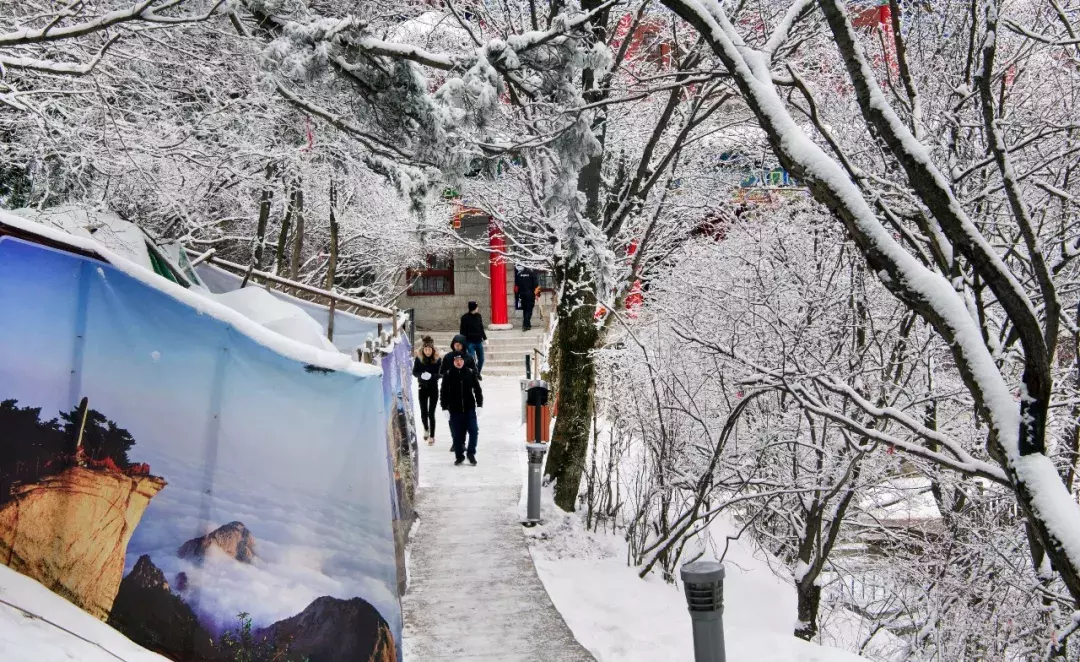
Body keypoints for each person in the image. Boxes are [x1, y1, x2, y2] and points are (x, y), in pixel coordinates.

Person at [440, 350, 483, 466]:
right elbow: (443, 392)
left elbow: (477, 389)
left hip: (469, 409)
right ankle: (459, 456)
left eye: (460, 360)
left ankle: (471, 453)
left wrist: (479, 405)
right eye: (456, 360)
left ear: (463, 361)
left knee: (474, 431)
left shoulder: (470, 372)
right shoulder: (448, 374)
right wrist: (444, 407)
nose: (458, 362)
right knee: (457, 435)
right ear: (453, 362)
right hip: (454, 410)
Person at [412, 336, 441, 446]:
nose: (427, 351)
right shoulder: (419, 359)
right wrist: (421, 375)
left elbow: (440, 373)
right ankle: (426, 428)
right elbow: (414, 372)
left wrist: (432, 376)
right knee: (423, 411)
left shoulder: (438, 359)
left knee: (431, 413)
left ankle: (432, 436)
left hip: (433, 388)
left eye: (429, 349)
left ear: (433, 349)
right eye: (426, 349)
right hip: (422, 388)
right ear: (423, 349)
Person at [459, 301, 487, 377]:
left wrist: (485, 338)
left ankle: (477, 373)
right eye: (477, 307)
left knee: (481, 359)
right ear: (473, 308)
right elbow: (462, 331)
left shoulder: (479, 316)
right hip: (470, 343)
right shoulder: (465, 318)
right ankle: (473, 374)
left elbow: (481, 328)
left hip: (479, 342)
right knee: (472, 360)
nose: (478, 308)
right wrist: (462, 341)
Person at [518, 267, 540, 331]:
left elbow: (517, 286)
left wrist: (518, 295)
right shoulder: (532, 273)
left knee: (525, 310)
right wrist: (537, 295)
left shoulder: (520, 274)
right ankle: (526, 325)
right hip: (530, 295)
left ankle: (527, 324)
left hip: (522, 295)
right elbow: (536, 285)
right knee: (529, 310)